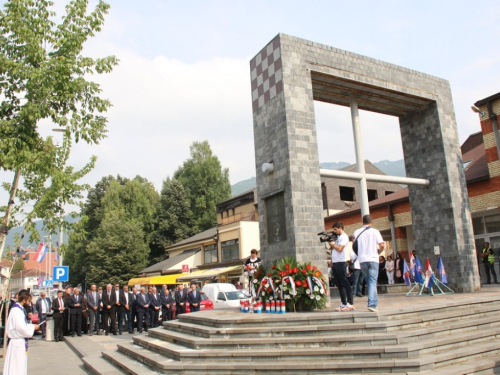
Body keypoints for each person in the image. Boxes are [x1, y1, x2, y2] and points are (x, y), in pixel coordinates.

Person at [3, 289, 40, 375]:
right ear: (24, 300)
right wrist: (33, 327)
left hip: (18, 341)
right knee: (17, 366)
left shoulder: (19, 309)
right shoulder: (17, 311)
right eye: (29, 301)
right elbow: (21, 328)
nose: (29, 303)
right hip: (17, 342)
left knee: (19, 365)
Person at [353, 214, 385, 312]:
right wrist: (378, 252)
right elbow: (382, 244)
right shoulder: (375, 232)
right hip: (373, 259)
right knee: (372, 281)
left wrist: (360, 254)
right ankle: (372, 303)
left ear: (362, 222)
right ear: (372, 222)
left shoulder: (357, 232)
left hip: (362, 260)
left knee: (369, 281)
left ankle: (374, 303)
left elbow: (354, 246)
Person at [329, 222, 354, 312]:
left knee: (345, 283)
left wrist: (333, 245)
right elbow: (334, 248)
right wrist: (331, 243)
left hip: (341, 262)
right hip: (335, 262)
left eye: (335, 229)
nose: (334, 231)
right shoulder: (338, 237)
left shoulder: (344, 237)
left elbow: (340, 249)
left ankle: (350, 303)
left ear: (340, 228)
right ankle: (343, 302)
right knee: (339, 284)